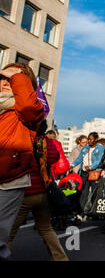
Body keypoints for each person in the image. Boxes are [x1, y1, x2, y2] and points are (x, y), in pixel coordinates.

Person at [0, 63, 44, 260]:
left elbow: (26, 105)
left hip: (8, 181)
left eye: (13, 78)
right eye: (4, 77)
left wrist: (17, 76)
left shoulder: (30, 111)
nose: (6, 81)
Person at [7, 120, 68, 261]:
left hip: (25, 192)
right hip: (43, 191)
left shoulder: (22, 138)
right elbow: (55, 157)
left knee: (9, 231)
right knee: (46, 228)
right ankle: (61, 258)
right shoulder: (45, 141)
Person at [70, 132, 105, 222]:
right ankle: (80, 213)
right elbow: (79, 158)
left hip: (94, 172)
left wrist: (91, 166)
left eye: (90, 139)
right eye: (88, 139)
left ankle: (93, 213)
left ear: (96, 139)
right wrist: (72, 164)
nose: (88, 141)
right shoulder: (85, 148)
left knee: (94, 192)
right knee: (83, 193)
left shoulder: (100, 148)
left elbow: (99, 160)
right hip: (84, 173)